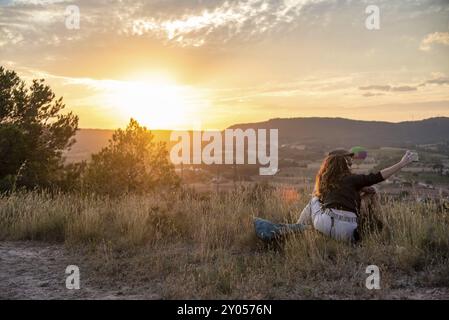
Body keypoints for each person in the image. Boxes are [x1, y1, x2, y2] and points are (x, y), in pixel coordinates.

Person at [297, 149, 416, 243]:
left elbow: (335, 192)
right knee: (371, 192)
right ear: (343, 161)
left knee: (314, 198)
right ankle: (384, 228)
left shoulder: (324, 181)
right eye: (348, 160)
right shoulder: (353, 179)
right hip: (349, 232)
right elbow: (378, 176)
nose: (351, 163)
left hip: (325, 225)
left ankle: (297, 228)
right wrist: (402, 163)